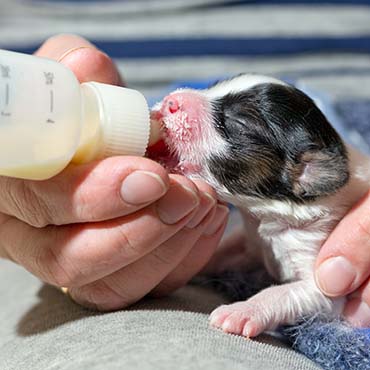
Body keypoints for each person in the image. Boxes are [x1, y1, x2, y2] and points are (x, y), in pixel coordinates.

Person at [0, 34, 368, 327]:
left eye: (239, 123)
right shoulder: (264, 209)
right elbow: (247, 248)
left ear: (307, 175)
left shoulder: (323, 215)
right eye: (215, 91)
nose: (179, 101)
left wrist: (258, 308)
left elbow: (322, 290)